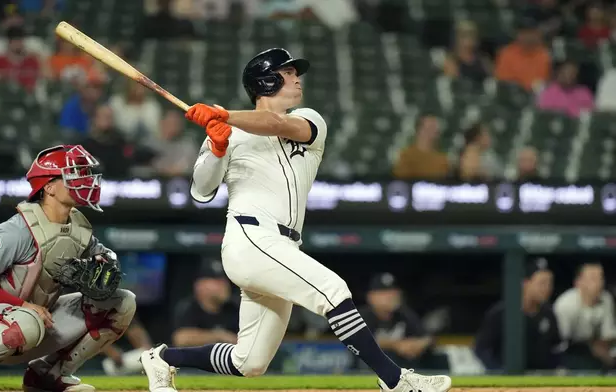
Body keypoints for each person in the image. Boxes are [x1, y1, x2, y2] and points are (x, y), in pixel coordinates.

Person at [139, 48, 451, 392]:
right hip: (250, 238)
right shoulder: (227, 132)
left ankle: (164, 359)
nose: (297, 77)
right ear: (266, 81)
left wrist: (223, 116)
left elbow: (274, 123)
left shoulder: (309, 118)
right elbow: (201, 190)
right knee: (333, 291)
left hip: (284, 244)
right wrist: (215, 147)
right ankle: (395, 380)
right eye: (287, 72)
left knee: (250, 362)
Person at [0, 144, 137, 391]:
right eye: (74, 173)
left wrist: (107, 262)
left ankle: (48, 376)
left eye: (84, 172)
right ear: (48, 187)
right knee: (29, 321)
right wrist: (23, 306)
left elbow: (104, 257)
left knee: (122, 303)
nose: (85, 179)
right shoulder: (19, 228)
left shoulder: (79, 228)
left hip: (33, 320)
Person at [474, 259, 563, 371]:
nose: (548, 288)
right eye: (542, 283)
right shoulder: (501, 312)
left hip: (541, 379)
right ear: (525, 283)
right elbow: (481, 349)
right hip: (508, 379)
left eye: (550, 283)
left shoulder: (548, 313)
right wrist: (497, 371)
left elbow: (555, 348)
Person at [359, 273, 449, 371]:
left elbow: (427, 338)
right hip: (369, 370)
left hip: (404, 367)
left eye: (393, 291)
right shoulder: (362, 315)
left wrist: (417, 345)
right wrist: (396, 345)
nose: (391, 296)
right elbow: (360, 342)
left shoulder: (404, 314)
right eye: (384, 292)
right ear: (371, 297)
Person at [554, 263, 616, 370]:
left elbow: (608, 335)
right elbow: (560, 343)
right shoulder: (566, 304)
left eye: (601, 277)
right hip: (569, 352)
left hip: (596, 349)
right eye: (593, 278)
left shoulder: (606, 299)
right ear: (578, 282)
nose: (599, 283)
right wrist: (589, 346)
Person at [171, 259, 239, 347]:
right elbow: (180, 339)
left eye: (224, 281)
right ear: (200, 286)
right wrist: (219, 336)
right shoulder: (189, 307)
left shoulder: (234, 308)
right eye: (217, 282)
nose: (224, 285)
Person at [495, 18, 551, 91]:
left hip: (535, 96)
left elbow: (543, 81)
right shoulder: (507, 53)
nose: (528, 37)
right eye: (524, 33)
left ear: (538, 34)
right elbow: (503, 80)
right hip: (511, 94)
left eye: (531, 33)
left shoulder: (544, 55)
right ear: (518, 35)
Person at [392, 114, 449, 180]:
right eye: (429, 128)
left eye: (435, 129)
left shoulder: (442, 159)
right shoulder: (406, 156)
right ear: (419, 130)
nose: (433, 132)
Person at [442, 21, 492, 85]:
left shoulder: (484, 60)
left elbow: (493, 81)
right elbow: (453, 84)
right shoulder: (451, 61)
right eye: (465, 35)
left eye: (472, 35)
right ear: (457, 38)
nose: (469, 39)